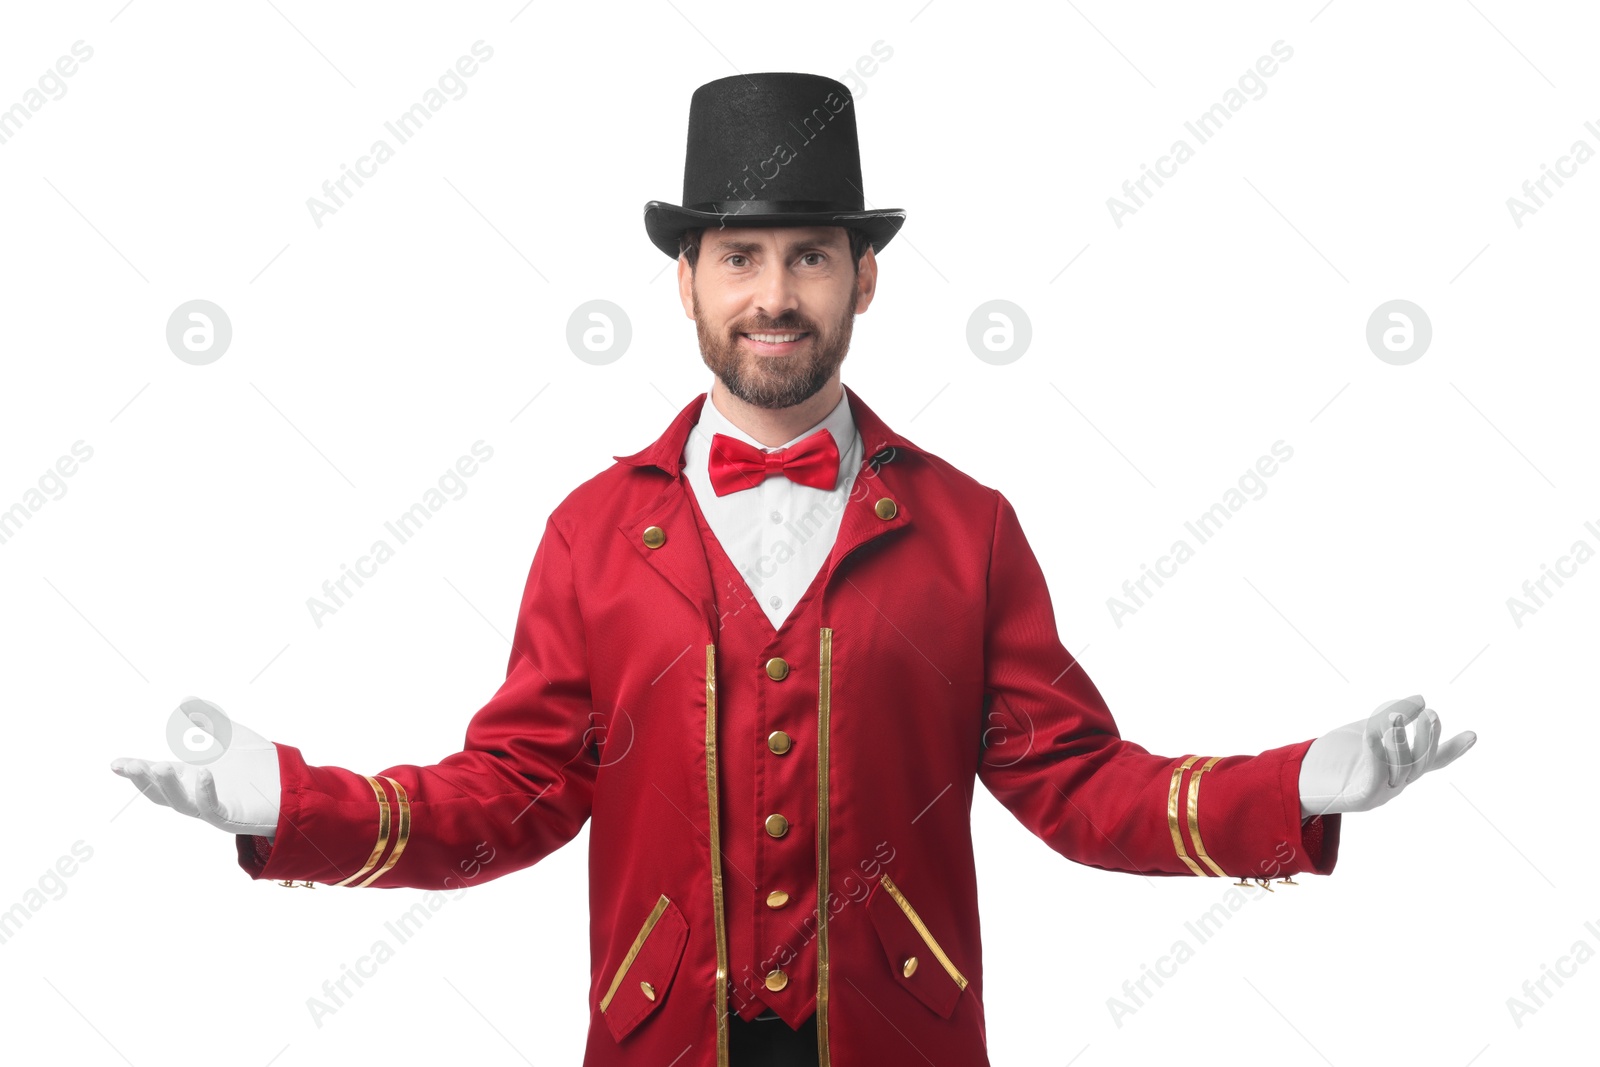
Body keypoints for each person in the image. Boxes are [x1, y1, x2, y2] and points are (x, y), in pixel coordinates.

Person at [111, 72, 1475, 1067]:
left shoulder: (970, 528)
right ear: (688, 281)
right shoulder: (591, 532)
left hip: (904, 1041)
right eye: (743, 257)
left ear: (863, 281)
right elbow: (511, 796)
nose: (777, 293)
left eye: (811, 256)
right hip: (661, 1044)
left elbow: (1074, 786)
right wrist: (292, 805)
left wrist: (1290, 785)